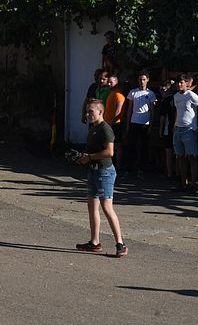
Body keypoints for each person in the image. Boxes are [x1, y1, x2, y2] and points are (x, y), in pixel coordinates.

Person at [76, 99, 128, 258]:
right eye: (87, 111)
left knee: (107, 207)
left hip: (105, 172)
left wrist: (90, 157)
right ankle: (94, 242)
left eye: (90, 111)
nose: (88, 114)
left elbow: (109, 152)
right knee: (92, 206)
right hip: (93, 170)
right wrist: (83, 158)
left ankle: (120, 244)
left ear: (100, 112)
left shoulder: (106, 129)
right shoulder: (93, 128)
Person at [172, 73, 198, 192]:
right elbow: (177, 111)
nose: (179, 85)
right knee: (180, 157)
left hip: (189, 129)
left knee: (192, 157)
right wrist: (174, 125)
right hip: (178, 128)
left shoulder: (192, 95)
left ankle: (193, 184)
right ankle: (183, 183)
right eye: (178, 83)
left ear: (187, 84)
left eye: (181, 82)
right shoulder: (176, 96)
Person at [125, 70, 156, 175]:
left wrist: (151, 125)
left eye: (144, 79)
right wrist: (128, 123)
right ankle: (130, 168)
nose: (142, 81)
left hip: (145, 123)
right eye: (140, 79)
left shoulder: (150, 94)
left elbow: (152, 110)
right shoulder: (133, 92)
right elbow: (129, 108)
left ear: (147, 80)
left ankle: (142, 168)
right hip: (134, 121)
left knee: (144, 146)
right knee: (131, 145)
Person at [103, 73, 127, 170]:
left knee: (117, 145)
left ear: (116, 83)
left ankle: (117, 166)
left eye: (111, 82)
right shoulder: (111, 94)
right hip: (108, 123)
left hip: (115, 124)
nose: (109, 84)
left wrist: (111, 124)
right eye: (108, 82)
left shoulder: (118, 95)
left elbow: (118, 112)